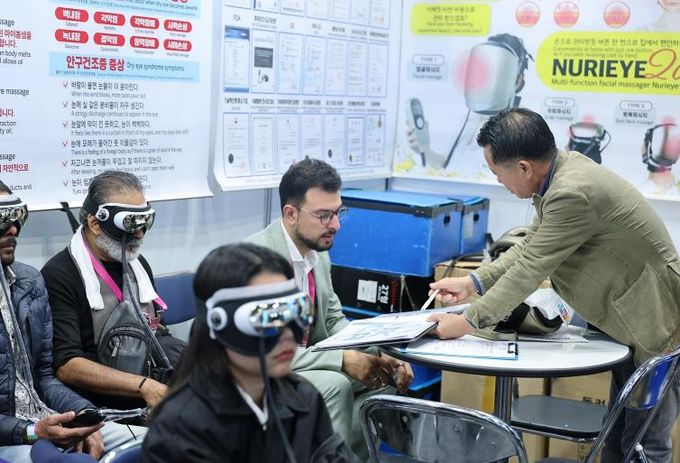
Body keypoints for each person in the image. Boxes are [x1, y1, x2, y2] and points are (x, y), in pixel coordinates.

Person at [428, 108, 680, 463]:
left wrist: (467, 321)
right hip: (632, 321)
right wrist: (473, 281)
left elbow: (530, 268)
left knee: (644, 442)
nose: (499, 182)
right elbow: (530, 246)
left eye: (497, 173)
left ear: (523, 168)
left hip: (656, 323)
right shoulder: (559, 176)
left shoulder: (572, 191)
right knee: (617, 434)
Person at [247, 158, 414, 455]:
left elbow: (333, 320)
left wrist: (377, 350)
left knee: (383, 375)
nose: (335, 225)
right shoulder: (256, 262)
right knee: (335, 383)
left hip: (302, 361)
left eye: (338, 213)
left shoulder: (317, 254)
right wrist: (342, 360)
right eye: (324, 215)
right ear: (290, 213)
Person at [142, 243, 359, 462]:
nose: (287, 334)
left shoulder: (301, 397)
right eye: (265, 318)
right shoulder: (180, 430)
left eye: (294, 312)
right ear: (219, 323)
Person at [0, 182, 139, 462]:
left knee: (158, 443)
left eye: (17, 216)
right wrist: (32, 432)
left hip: (47, 420)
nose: (13, 229)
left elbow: (44, 376)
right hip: (14, 437)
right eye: (2, 219)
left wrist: (85, 415)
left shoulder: (28, 282)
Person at [41, 171, 186, 412]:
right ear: (95, 223)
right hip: (98, 403)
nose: (139, 233)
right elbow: (67, 366)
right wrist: (143, 387)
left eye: (145, 222)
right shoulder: (60, 275)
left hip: (147, 387)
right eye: (130, 223)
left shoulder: (137, 265)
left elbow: (156, 334)